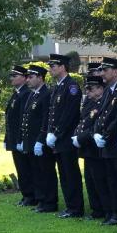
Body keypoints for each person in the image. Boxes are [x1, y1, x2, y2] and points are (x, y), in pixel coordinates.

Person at [44, 53, 84, 219]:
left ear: (62, 67)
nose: (50, 69)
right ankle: (70, 206)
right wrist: (50, 132)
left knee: (71, 173)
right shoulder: (58, 87)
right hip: (58, 138)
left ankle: (76, 207)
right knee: (64, 174)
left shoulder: (71, 86)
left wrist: (57, 133)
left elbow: (69, 114)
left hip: (67, 138)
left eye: (53, 66)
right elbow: (52, 113)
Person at [92, 57, 117, 226]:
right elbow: (101, 115)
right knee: (111, 180)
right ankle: (115, 212)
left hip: (115, 142)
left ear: (116, 71)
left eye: (105, 70)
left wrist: (106, 135)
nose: (102, 73)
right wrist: (96, 133)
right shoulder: (108, 90)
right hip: (105, 143)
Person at [19, 65, 58, 213]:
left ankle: (49, 202)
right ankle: (41, 200)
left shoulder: (46, 94)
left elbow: (45, 119)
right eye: (27, 77)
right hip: (31, 141)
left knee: (45, 172)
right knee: (36, 172)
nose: (28, 80)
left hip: (40, 141)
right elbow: (27, 118)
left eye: (31, 77)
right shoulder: (33, 94)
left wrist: (41, 140)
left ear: (40, 78)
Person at [72, 75, 107, 219]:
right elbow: (82, 121)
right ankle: (96, 210)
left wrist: (81, 138)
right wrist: (76, 135)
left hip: (94, 147)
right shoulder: (90, 103)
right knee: (90, 181)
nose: (88, 92)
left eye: (91, 88)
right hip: (86, 148)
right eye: (87, 89)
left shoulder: (102, 103)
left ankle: (104, 210)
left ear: (100, 88)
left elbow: (94, 126)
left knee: (99, 181)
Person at [4, 65, 32, 203]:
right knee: (20, 167)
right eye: (11, 76)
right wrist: (6, 138)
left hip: (20, 138)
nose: (12, 79)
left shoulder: (25, 93)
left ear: (24, 78)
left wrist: (21, 138)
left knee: (25, 168)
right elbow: (9, 117)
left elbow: (23, 118)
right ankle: (26, 194)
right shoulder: (17, 93)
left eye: (15, 76)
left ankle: (29, 195)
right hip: (13, 138)